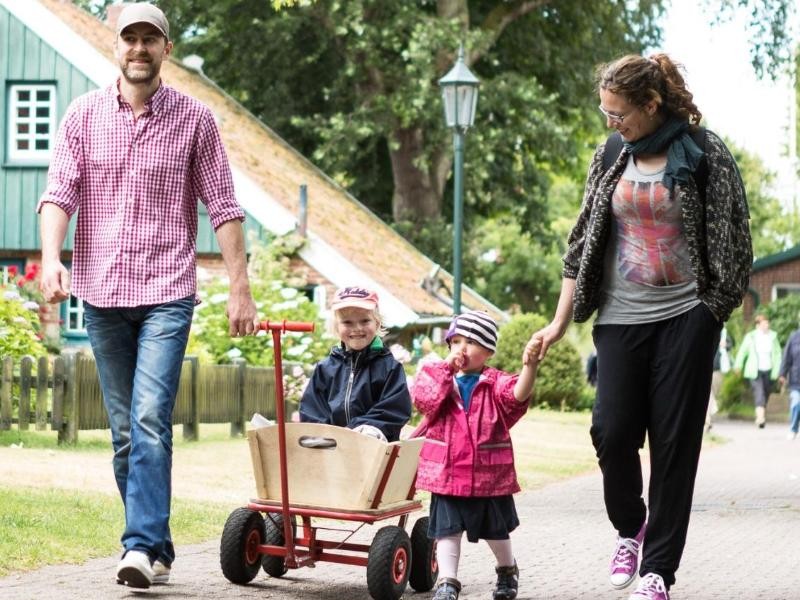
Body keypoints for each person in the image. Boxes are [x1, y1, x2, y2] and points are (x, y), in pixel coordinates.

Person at [37, 3, 258, 589]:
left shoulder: (195, 121)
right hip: (102, 295)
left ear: (166, 50)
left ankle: (136, 547)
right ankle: (156, 546)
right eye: (129, 38)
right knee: (125, 433)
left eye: (149, 40)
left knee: (150, 420)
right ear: (117, 47)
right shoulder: (82, 116)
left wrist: (241, 288)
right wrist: (53, 259)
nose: (139, 48)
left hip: (167, 292)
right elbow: (59, 194)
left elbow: (225, 208)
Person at [529, 53, 751, 600]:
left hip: (686, 316)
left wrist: (712, 312)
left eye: (619, 114)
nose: (612, 124)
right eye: (606, 113)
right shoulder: (610, 154)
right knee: (610, 431)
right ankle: (632, 528)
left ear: (651, 105)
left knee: (674, 444)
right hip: (621, 315)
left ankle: (658, 571)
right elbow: (580, 243)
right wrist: (559, 323)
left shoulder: (705, 152)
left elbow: (736, 239)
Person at [412, 310, 540, 600]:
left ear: (488, 351)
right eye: (455, 341)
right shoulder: (440, 378)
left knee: (495, 530)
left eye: (470, 342)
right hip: (447, 474)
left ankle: (506, 569)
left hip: (488, 477)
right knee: (446, 530)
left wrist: (529, 367)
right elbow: (424, 399)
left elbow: (517, 396)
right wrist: (445, 369)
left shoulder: (495, 383)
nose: (461, 348)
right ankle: (447, 581)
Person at [299, 286, 412, 442]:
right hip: (331, 450)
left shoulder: (390, 368)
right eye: (347, 322)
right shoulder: (325, 369)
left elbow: (393, 409)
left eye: (365, 321)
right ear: (336, 326)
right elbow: (312, 410)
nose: (357, 328)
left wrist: (358, 430)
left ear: (377, 322)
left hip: (372, 449)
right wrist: (325, 435)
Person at [734, 314, 781, 428]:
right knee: (759, 393)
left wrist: (779, 370)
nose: (767, 325)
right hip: (754, 370)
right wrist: (738, 365)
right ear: (758, 325)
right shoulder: (751, 337)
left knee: (765, 393)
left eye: (767, 323)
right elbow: (743, 351)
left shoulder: (773, 337)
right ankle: (760, 418)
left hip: (769, 370)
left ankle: (761, 415)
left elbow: (778, 354)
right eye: (764, 324)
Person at [706, 326, 733, 432]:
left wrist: (726, 345)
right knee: (707, 393)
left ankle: (708, 416)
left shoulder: (723, 331)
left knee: (713, 393)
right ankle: (707, 420)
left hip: (717, 368)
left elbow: (731, 344)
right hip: (703, 366)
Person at [779, 318, 800, 439]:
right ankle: (793, 429)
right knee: (796, 403)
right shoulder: (794, 337)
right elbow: (786, 356)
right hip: (796, 379)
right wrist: (782, 373)